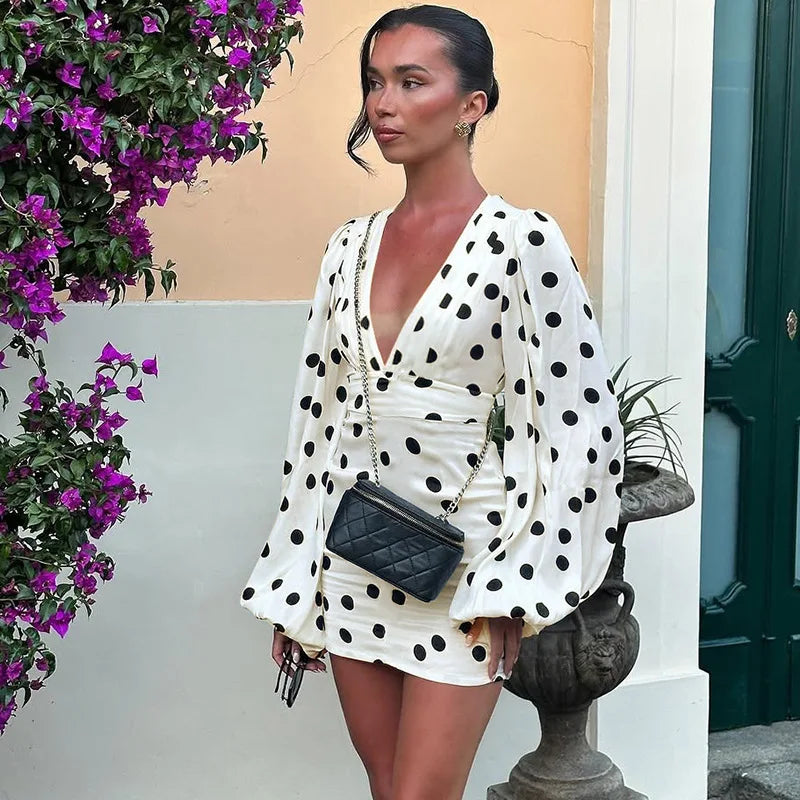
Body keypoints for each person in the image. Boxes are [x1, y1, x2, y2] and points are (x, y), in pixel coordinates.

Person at [240, 5, 624, 799]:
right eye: (376, 82)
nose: (383, 103)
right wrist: (296, 581)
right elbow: (317, 423)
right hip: (354, 556)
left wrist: (520, 581)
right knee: (388, 790)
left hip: (467, 572)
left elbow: (576, 429)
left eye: (412, 81)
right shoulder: (349, 245)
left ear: (471, 104)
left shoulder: (524, 242)